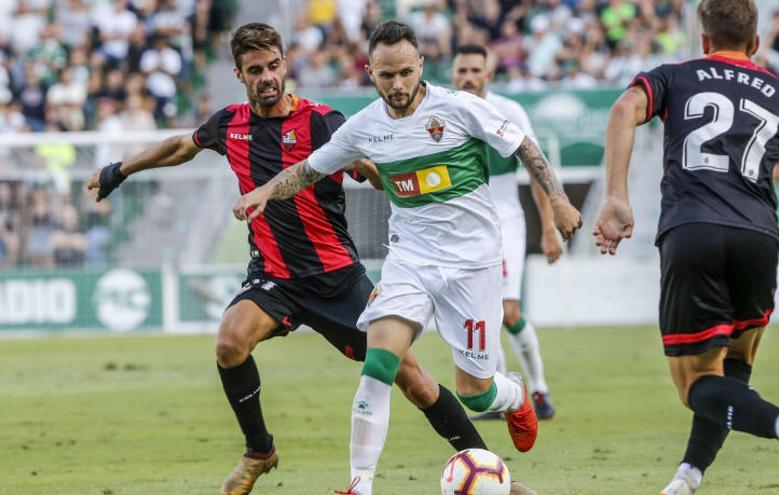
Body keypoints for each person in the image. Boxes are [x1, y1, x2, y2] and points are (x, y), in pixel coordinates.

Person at [88, 22, 525, 495]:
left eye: (273, 66)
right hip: (275, 279)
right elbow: (180, 146)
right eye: (255, 70)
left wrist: (384, 175)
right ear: (239, 73)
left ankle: (493, 472)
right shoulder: (228, 124)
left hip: (338, 279)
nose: (266, 77)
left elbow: (372, 164)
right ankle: (259, 451)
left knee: (413, 380)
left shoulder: (323, 122)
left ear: (285, 64)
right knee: (230, 342)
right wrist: (120, 169)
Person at [232, 20, 582, 495]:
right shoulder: (364, 127)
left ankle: (515, 393)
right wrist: (266, 193)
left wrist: (558, 200)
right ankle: (360, 483)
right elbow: (308, 170)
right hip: (410, 260)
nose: (397, 86)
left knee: (475, 391)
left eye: (404, 73)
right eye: (385, 76)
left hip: (473, 264)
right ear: (369, 72)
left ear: (420, 65)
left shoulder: (460, 109)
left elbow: (522, 144)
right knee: (380, 361)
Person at [593, 1, 779, 495]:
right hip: (758, 237)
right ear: (756, 43)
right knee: (733, 365)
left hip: (693, 231)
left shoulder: (675, 75)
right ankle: (688, 477)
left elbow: (623, 109)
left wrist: (616, 195)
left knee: (696, 385)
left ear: (704, 40)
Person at [451, 44, 561, 421]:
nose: (467, 77)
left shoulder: (509, 111)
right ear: (453, 74)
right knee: (481, 313)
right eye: (461, 70)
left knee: (509, 311)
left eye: (474, 70)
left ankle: (540, 390)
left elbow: (535, 169)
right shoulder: (444, 112)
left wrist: (548, 228)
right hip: (464, 229)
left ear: (488, 74)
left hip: (505, 223)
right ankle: (498, 392)